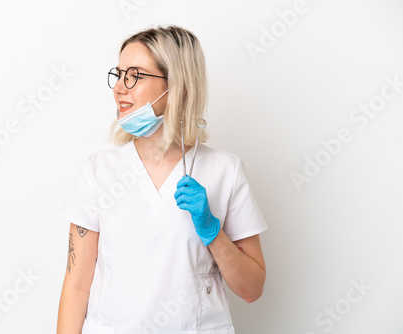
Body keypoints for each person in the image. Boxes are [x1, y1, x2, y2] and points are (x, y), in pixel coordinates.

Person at [57, 25, 268, 334]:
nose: (119, 88)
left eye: (135, 75)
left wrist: (212, 231)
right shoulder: (99, 171)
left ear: (179, 85)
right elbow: (76, 284)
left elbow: (252, 289)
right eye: (118, 74)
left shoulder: (224, 170)